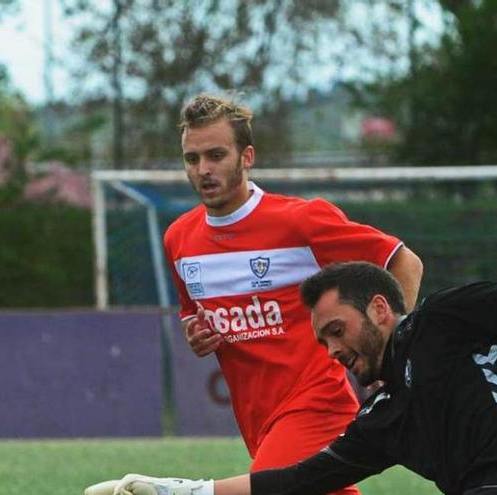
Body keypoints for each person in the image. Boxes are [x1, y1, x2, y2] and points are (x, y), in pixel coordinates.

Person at [85, 262, 497, 495]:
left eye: (336, 330)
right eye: (323, 341)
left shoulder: (442, 321)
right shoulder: (383, 418)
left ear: (379, 308)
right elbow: (297, 481)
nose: (331, 351)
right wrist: (175, 490)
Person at [163, 92, 424, 490]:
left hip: (317, 402)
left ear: (246, 157)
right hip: (257, 419)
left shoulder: (300, 222)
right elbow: (192, 315)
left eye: (216, 156)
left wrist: (394, 349)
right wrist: (197, 334)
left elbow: (404, 262)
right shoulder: (180, 239)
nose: (203, 169)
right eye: (192, 159)